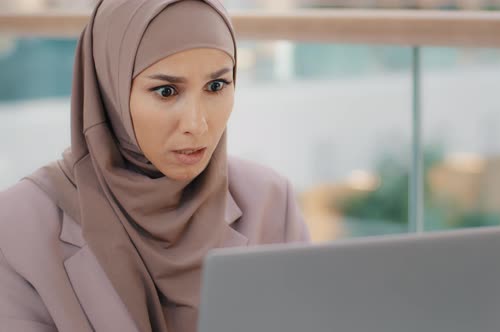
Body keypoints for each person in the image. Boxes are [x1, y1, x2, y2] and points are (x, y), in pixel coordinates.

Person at [0, 1, 310, 331]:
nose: (197, 123)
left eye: (216, 86)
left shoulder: (271, 201)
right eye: (166, 91)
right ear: (110, 91)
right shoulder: (17, 225)